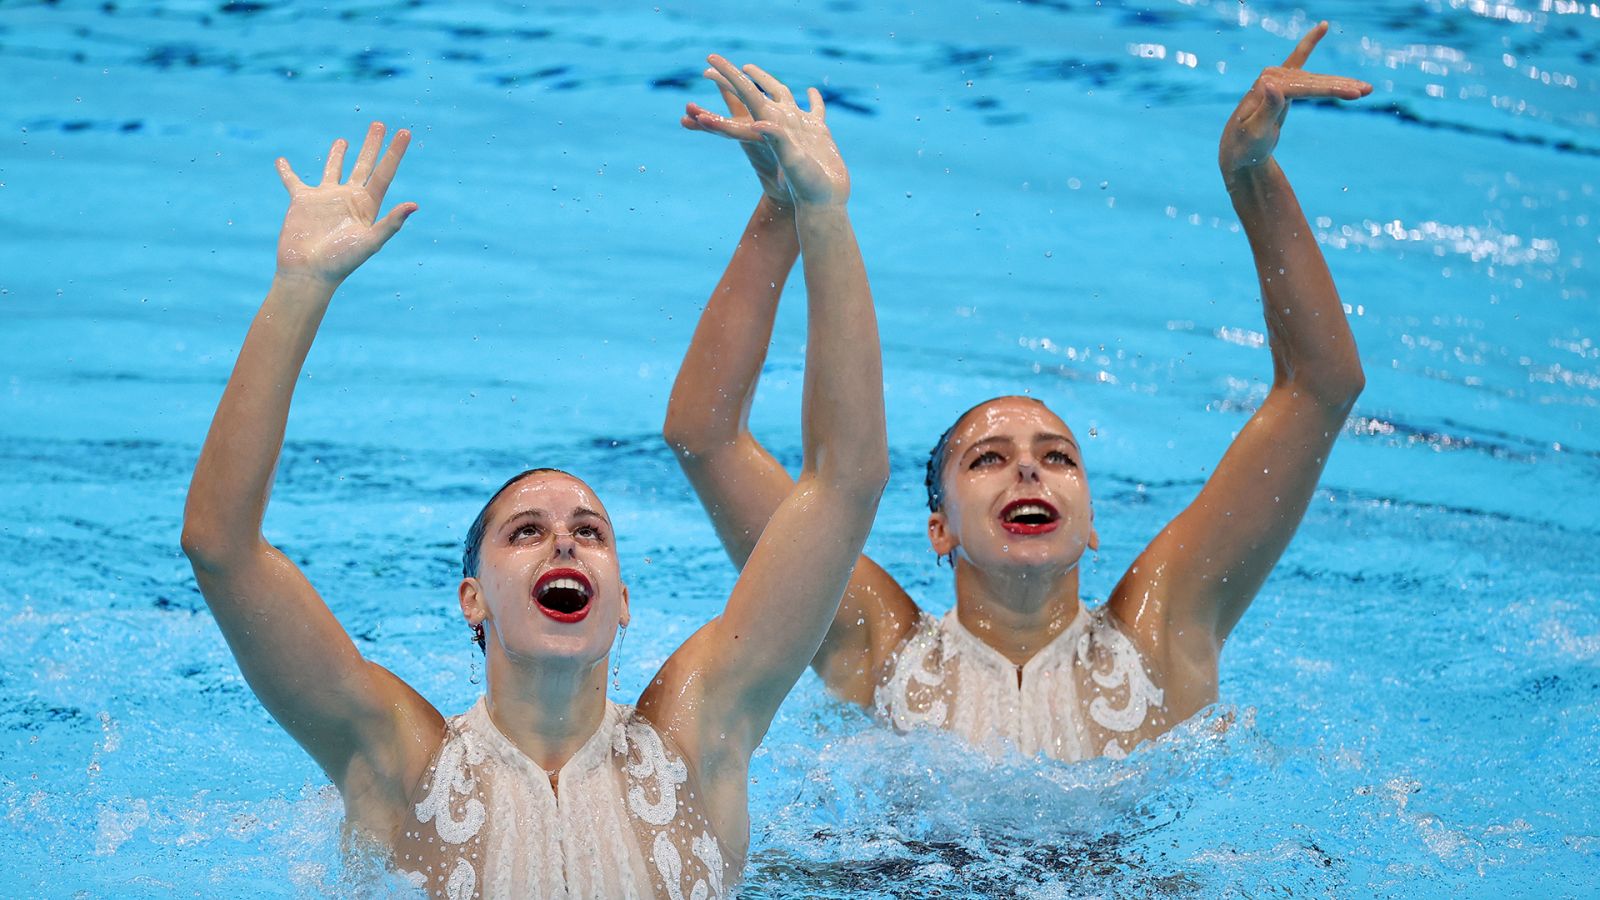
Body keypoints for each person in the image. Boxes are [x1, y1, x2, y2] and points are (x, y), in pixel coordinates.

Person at [181, 55, 887, 899]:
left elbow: (845, 484)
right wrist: (297, 291)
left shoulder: (703, 736)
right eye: (527, 531)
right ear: (472, 598)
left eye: (590, 531)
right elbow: (220, 547)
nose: (565, 540)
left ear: (623, 600)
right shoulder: (397, 759)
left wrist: (821, 213)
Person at [664, 22, 1370, 762]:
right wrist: (782, 208)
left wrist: (1251, 175)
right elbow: (705, 437)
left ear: (1092, 522)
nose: (1029, 471)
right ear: (940, 530)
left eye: (1059, 458)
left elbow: (1321, 389)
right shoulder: (871, 643)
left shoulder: (1167, 627)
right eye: (988, 459)